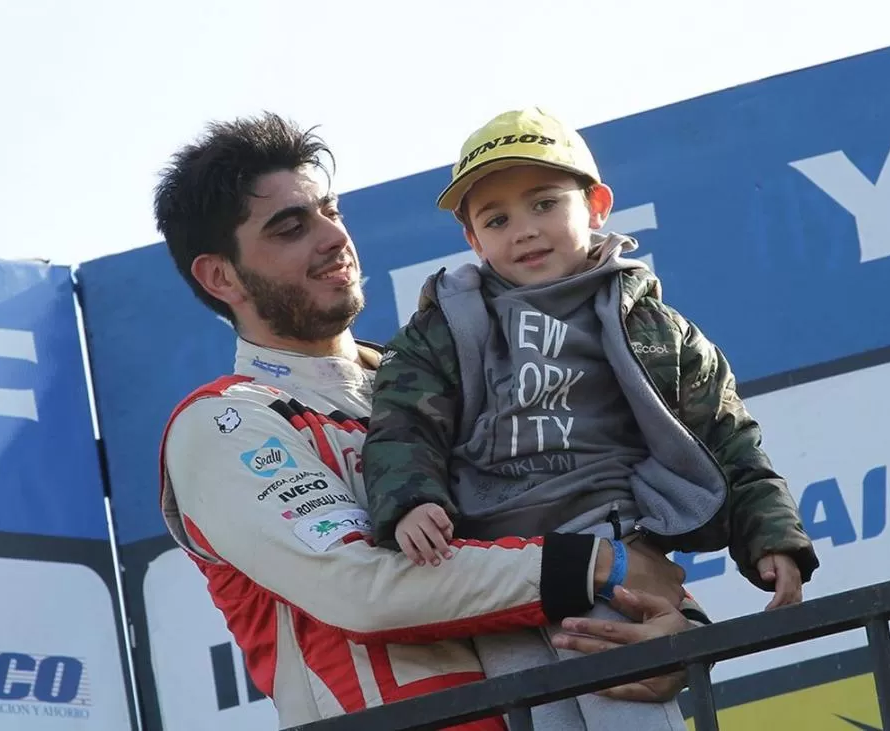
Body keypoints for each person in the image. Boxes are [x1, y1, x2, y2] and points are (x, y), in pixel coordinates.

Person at [153, 111, 697, 731]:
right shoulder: (225, 422)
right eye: (290, 228)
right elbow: (363, 592)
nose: (333, 238)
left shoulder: (446, 379)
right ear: (221, 275)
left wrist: (667, 630)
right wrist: (602, 564)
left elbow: (576, 503)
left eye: (331, 211)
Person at [362, 107, 821, 728]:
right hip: (495, 570)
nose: (523, 230)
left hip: (612, 553)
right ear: (474, 240)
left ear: (597, 204)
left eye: (544, 203)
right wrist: (411, 499)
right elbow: (402, 422)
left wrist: (772, 536)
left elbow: (726, 436)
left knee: (626, 712)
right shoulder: (442, 326)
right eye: (496, 219)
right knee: (532, 719)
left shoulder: (654, 325)